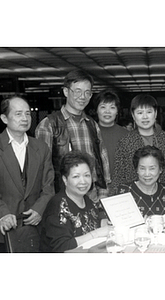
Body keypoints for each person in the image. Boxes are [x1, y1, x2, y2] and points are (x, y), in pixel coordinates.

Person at [35, 70, 110, 202]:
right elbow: (42, 169)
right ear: (66, 91)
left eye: (87, 92)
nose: (82, 96)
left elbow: (102, 159)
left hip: (92, 197)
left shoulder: (92, 124)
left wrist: (103, 192)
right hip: (62, 198)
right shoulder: (49, 124)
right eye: (77, 91)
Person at [110, 94, 165, 209]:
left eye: (149, 112)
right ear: (133, 115)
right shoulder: (125, 142)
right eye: (140, 113)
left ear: (155, 113)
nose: (145, 117)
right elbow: (118, 178)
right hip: (134, 204)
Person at [0, 95, 55, 252]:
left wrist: (39, 209)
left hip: (35, 226)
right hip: (4, 228)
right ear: (4, 118)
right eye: (18, 114)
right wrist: (3, 214)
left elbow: (49, 185)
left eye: (28, 113)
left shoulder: (41, 147)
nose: (24, 118)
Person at [39, 151, 108, 252]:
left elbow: (93, 223)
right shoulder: (58, 205)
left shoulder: (86, 199)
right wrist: (97, 233)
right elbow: (63, 246)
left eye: (87, 175)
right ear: (65, 180)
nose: (83, 181)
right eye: (76, 176)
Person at [116, 145, 165, 217]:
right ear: (136, 169)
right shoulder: (124, 191)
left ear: (160, 169)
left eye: (152, 168)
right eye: (142, 168)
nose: (147, 174)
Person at [93, 89, 128, 177]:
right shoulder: (90, 133)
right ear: (96, 110)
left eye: (112, 107)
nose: (107, 111)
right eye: (103, 107)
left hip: (122, 186)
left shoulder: (127, 135)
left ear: (117, 111)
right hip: (95, 186)